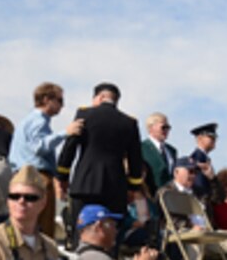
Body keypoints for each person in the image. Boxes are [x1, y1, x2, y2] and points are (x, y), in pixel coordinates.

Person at [55, 83, 151, 237]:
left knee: (81, 234)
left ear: (99, 97)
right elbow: (135, 160)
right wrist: (133, 188)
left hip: (84, 185)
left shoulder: (84, 115)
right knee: (110, 235)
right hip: (115, 188)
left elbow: (69, 148)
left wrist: (62, 176)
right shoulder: (129, 123)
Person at [10, 82, 67, 181]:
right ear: (46, 100)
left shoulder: (29, 120)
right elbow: (39, 147)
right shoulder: (38, 120)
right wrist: (65, 132)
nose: (62, 105)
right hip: (36, 176)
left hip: (23, 174)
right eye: (60, 100)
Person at [187, 123, 225, 198]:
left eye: (215, 138)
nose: (214, 140)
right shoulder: (197, 158)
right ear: (199, 138)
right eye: (211, 137)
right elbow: (200, 187)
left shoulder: (204, 158)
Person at [141, 113, 177, 191]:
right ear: (151, 128)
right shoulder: (142, 148)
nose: (166, 130)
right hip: (150, 195)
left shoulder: (172, 150)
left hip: (170, 197)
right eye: (163, 127)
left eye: (168, 128)